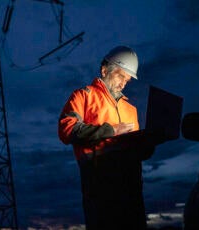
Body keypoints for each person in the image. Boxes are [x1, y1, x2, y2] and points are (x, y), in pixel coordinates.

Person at [58, 45, 156, 229]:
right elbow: (66, 129)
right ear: (104, 70)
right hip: (99, 185)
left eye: (127, 80)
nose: (123, 83)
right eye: (121, 76)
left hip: (131, 188)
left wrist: (149, 144)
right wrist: (110, 130)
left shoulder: (130, 110)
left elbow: (135, 151)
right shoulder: (84, 96)